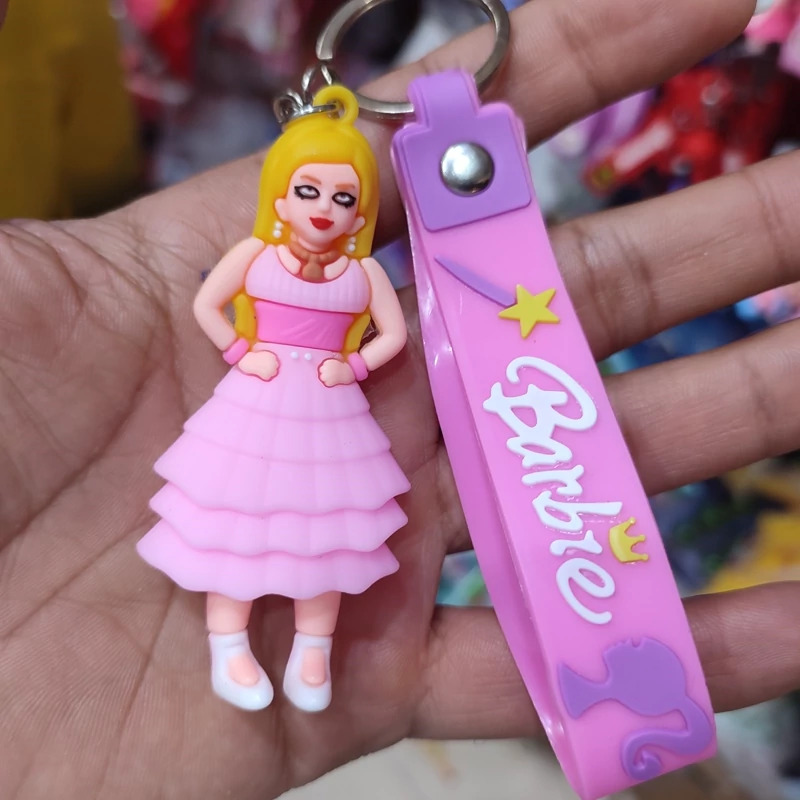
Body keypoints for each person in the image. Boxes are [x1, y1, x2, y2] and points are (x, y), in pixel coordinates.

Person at [1, 0, 799, 798]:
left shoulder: (360, 275)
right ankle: (230, 646)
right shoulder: (257, 258)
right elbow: (212, 306)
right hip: (255, 408)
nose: (325, 210)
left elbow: (387, 334)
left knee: (326, 538)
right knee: (234, 530)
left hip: (327, 416)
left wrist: (352, 365)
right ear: (280, 194)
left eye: (344, 198)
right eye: (309, 191)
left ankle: (314, 651)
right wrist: (243, 350)